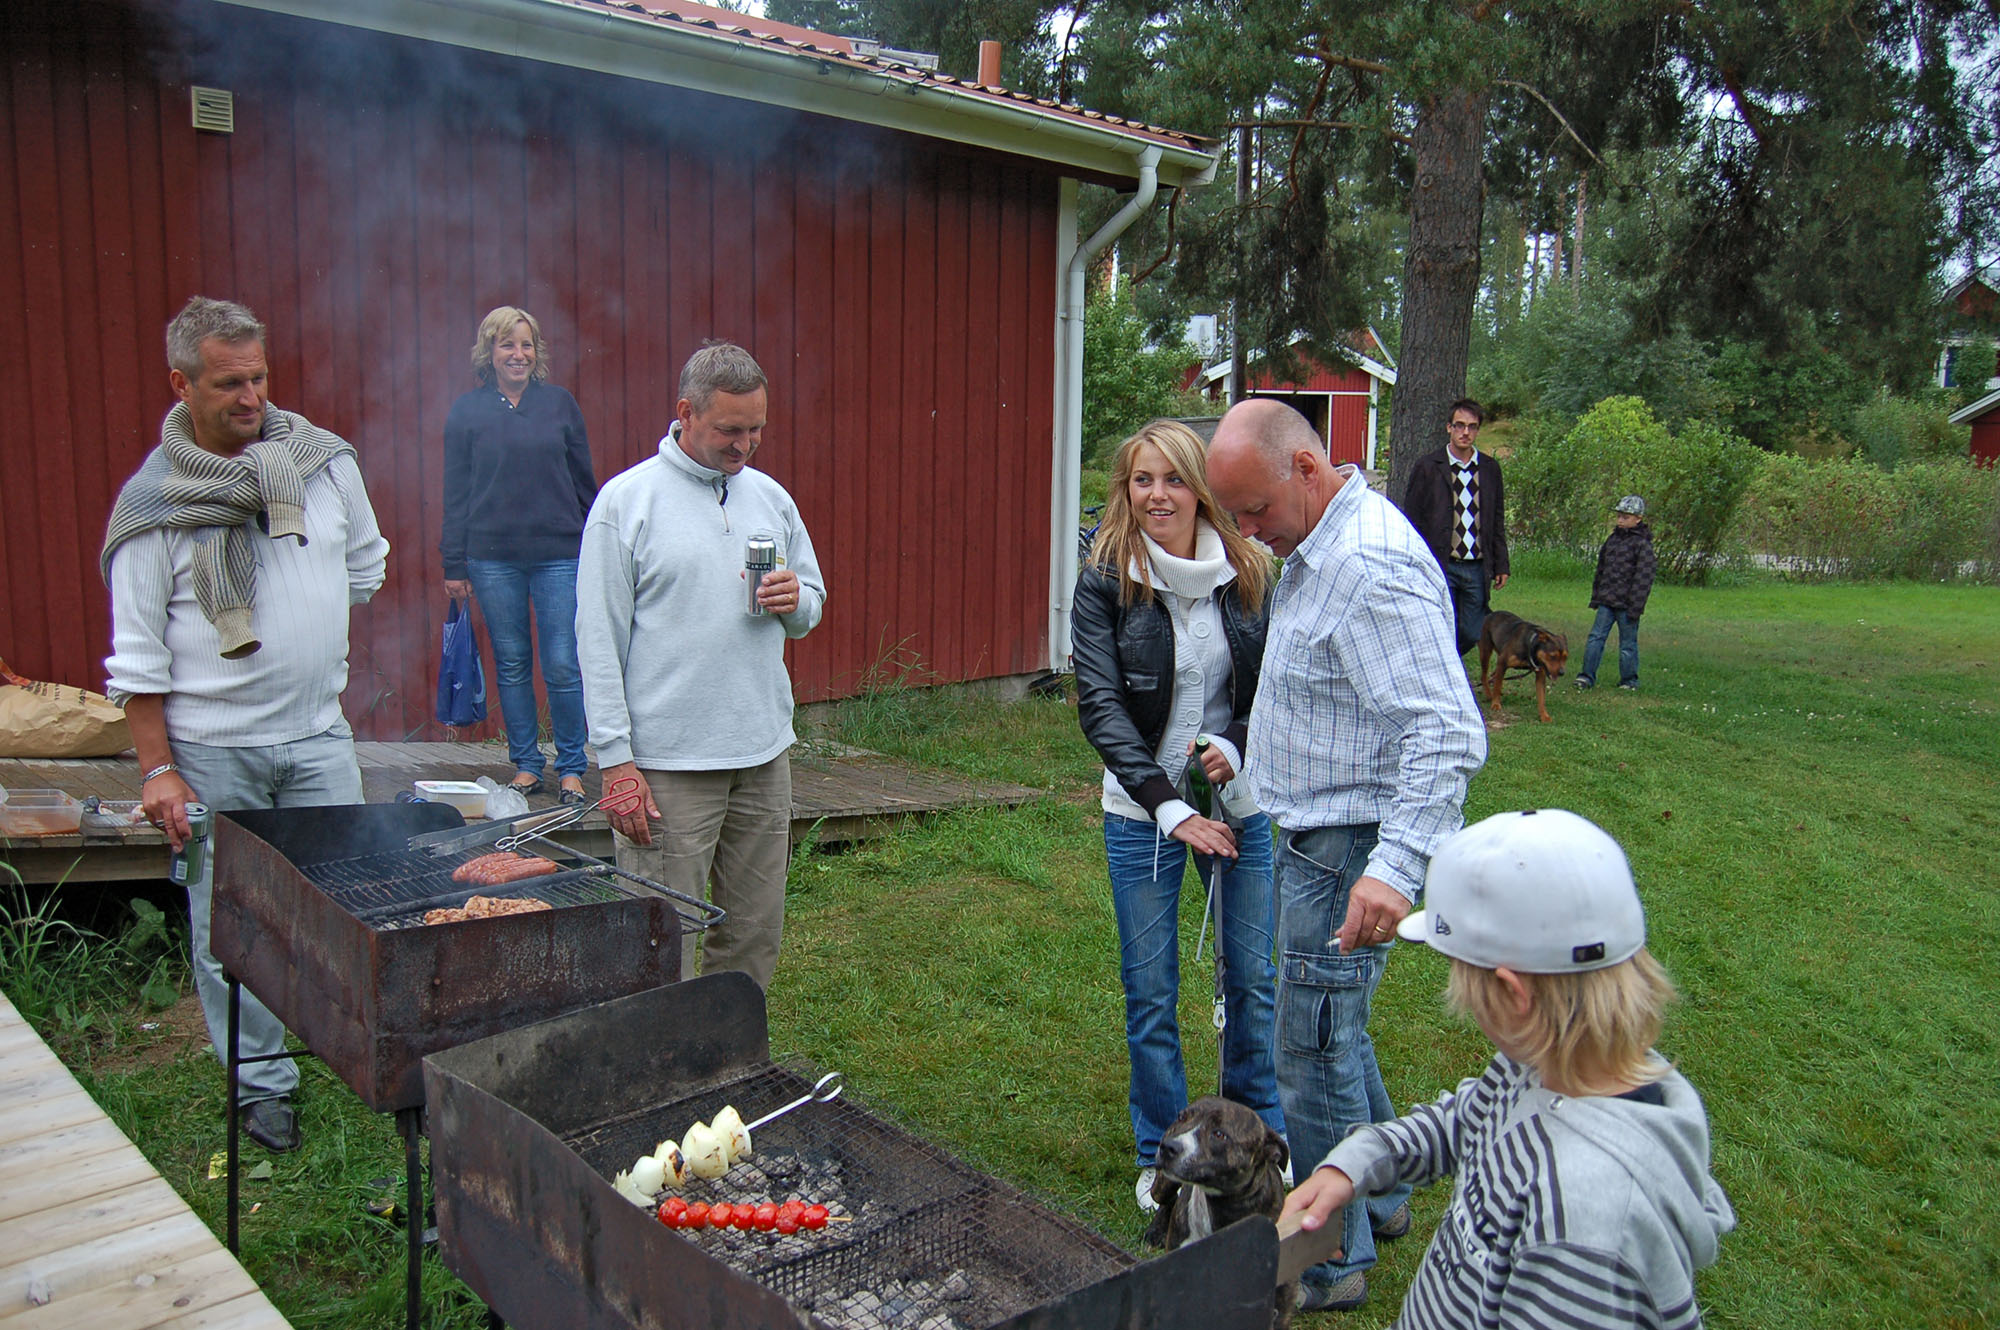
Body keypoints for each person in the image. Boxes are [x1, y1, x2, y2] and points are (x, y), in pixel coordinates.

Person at [1206, 398, 1487, 1312]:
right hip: (1318, 836)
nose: (1249, 531)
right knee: (1336, 1031)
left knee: (1310, 1048)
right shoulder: (1320, 541)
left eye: (1254, 510)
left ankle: (1331, 1263)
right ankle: (1386, 1197)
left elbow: (1443, 731)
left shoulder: (1367, 564)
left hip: (1346, 848)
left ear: (1306, 468)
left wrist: (1394, 868)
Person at [101, 296, 390, 1153]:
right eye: (230, 383)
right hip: (211, 751)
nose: (251, 397)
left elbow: (365, 570)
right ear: (181, 384)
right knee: (229, 921)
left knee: (353, 901)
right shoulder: (154, 506)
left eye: (259, 377)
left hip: (319, 735)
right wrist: (159, 771)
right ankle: (262, 1085)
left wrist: (301, 636)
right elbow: (136, 659)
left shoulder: (323, 466)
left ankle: (355, 1052)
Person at [1282, 809, 1736, 1328]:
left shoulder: (1584, 1226)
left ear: (1513, 996)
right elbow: (1464, 1120)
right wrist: (1353, 1165)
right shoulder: (1551, 1067)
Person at [1071, 420, 1286, 1215]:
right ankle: (1161, 1152)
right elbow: (1101, 704)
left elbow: (1273, 685)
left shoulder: (1248, 568)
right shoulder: (1106, 577)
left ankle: (1258, 1141)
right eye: (1141, 480)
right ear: (1124, 490)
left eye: (1173, 479)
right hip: (1141, 808)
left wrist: (1234, 743)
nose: (1157, 496)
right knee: (1151, 989)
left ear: (1201, 488)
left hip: (1238, 801)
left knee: (1252, 979)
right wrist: (1167, 807)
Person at [575, 341, 825, 990]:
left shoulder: (771, 499)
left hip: (762, 754)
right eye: (730, 430)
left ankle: (729, 1051)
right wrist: (616, 762)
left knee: (753, 935)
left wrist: (797, 600)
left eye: (756, 429)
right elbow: (597, 642)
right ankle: (656, 1054)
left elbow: (810, 606)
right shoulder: (627, 504)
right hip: (668, 767)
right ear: (686, 413)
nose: (746, 445)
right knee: (659, 942)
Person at [439, 306, 598, 802]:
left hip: (558, 554)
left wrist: (597, 545)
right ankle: (527, 764)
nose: (518, 354)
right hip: (492, 558)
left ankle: (571, 767)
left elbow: (584, 481)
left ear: (537, 352)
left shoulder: (559, 404)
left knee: (563, 664)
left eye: (526, 344)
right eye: (507, 344)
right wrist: (453, 563)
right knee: (511, 662)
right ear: (489, 352)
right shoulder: (467, 412)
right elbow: (455, 492)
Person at [1399, 398, 1509, 656]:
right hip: (1441, 563)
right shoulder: (1428, 467)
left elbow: (1496, 518)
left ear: (1478, 430)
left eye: (1472, 426)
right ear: (1449, 427)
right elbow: (1412, 518)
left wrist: (1502, 563)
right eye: (1459, 425)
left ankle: (1445, 661)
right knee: (1440, 623)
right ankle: (1444, 668)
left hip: (1476, 565)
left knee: (1473, 630)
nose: (1465, 432)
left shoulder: (1489, 469)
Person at [1576, 494, 1658, 692]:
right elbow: (1601, 570)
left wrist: (1636, 606)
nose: (1620, 520)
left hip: (1628, 605)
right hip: (1606, 601)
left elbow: (1644, 579)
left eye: (1625, 517)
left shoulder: (1643, 545)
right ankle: (1586, 676)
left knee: (1628, 644)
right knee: (1595, 638)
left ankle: (1629, 680)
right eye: (1619, 516)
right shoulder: (1612, 540)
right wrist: (1597, 596)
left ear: (1638, 519)